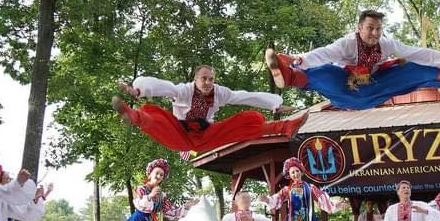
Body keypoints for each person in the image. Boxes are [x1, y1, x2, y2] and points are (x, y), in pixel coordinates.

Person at [265, 10, 440, 110]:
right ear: (359, 28)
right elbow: (324, 53)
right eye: (370, 28)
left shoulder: (387, 44)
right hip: (346, 88)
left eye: (378, 29)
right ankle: (290, 75)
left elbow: (419, 52)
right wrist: (300, 59)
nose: (374, 33)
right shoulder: (347, 44)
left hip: (374, 86)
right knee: (324, 71)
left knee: (413, 69)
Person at [112, 65, 303, 154]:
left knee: (244, 127)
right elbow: (165, 87)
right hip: (180, 132)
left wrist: (275, 104)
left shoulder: (220, 93)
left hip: (206, 134)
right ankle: (132, 115)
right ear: (195, 80)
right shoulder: (184, 91)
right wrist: (140, 89)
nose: (208, 82)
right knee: (158, 117)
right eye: (204, 78)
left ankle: (286, 127)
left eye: (211, 79)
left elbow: (244, 96)